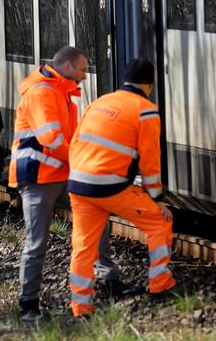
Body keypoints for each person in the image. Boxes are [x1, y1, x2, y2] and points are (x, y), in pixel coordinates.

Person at [9, 46, 138, 325]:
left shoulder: (63, 92)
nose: (84, 75)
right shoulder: (42, 92)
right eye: (82, 69)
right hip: (37, 177)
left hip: (63, 173)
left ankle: (107, 280)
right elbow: (52, 140)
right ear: (67, 66)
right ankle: (28, 303)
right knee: (37, 242)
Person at [67, 58, 175, 318]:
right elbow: (150, 163)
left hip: (79, 184)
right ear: (149, 85)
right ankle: (160, 285)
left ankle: (81, 309)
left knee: (83, 247)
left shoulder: (99, 102)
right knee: (159, 223)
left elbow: (75, 142)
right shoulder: (146, 110)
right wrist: (157, 199)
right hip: (110, 188)